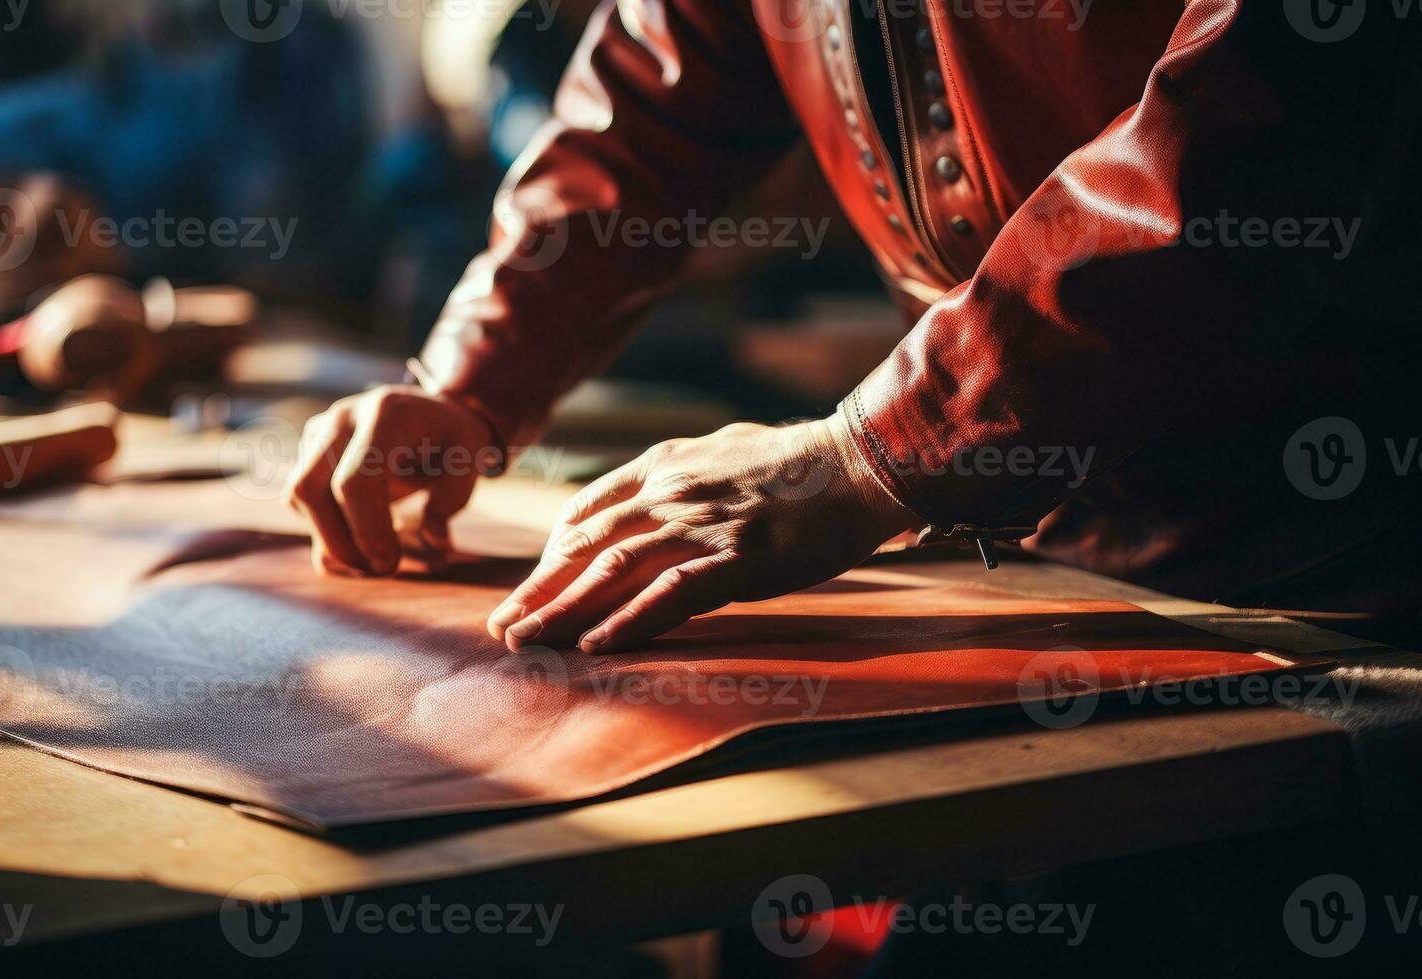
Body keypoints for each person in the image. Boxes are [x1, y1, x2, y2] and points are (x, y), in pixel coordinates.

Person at [287, 0, 1421, 653]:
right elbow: (646, 110)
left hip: (1338, 586)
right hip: (1023, 564)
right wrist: (471, 377)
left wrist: (871, 452)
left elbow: (1247, 143)